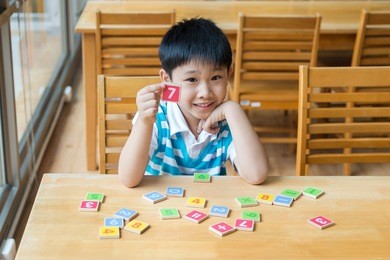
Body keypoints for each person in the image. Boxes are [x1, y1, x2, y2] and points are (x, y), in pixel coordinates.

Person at [118, 17, 268, 188]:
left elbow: (257, 174)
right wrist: (144, 123)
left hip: (211, 209)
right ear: (167, 79)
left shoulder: (227, 121)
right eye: (191, 79)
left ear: (229, 73)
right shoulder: (157, 117)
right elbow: (128, 179)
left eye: (216, 77)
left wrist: (233, 109)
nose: (205, 93)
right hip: (159, 209)